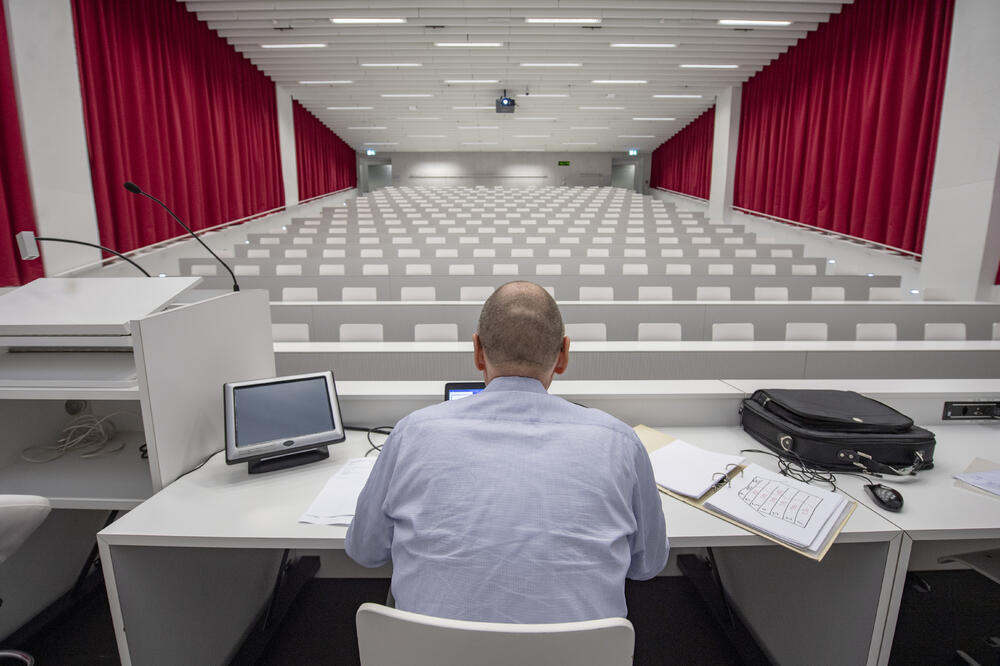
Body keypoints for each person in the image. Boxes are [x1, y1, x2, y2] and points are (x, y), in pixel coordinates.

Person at [345, 281, 668, 623]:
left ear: (477, 351)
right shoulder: (619, 441)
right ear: (563, 355)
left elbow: (365, 551)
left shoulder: (411, 433)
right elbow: (646, 566)